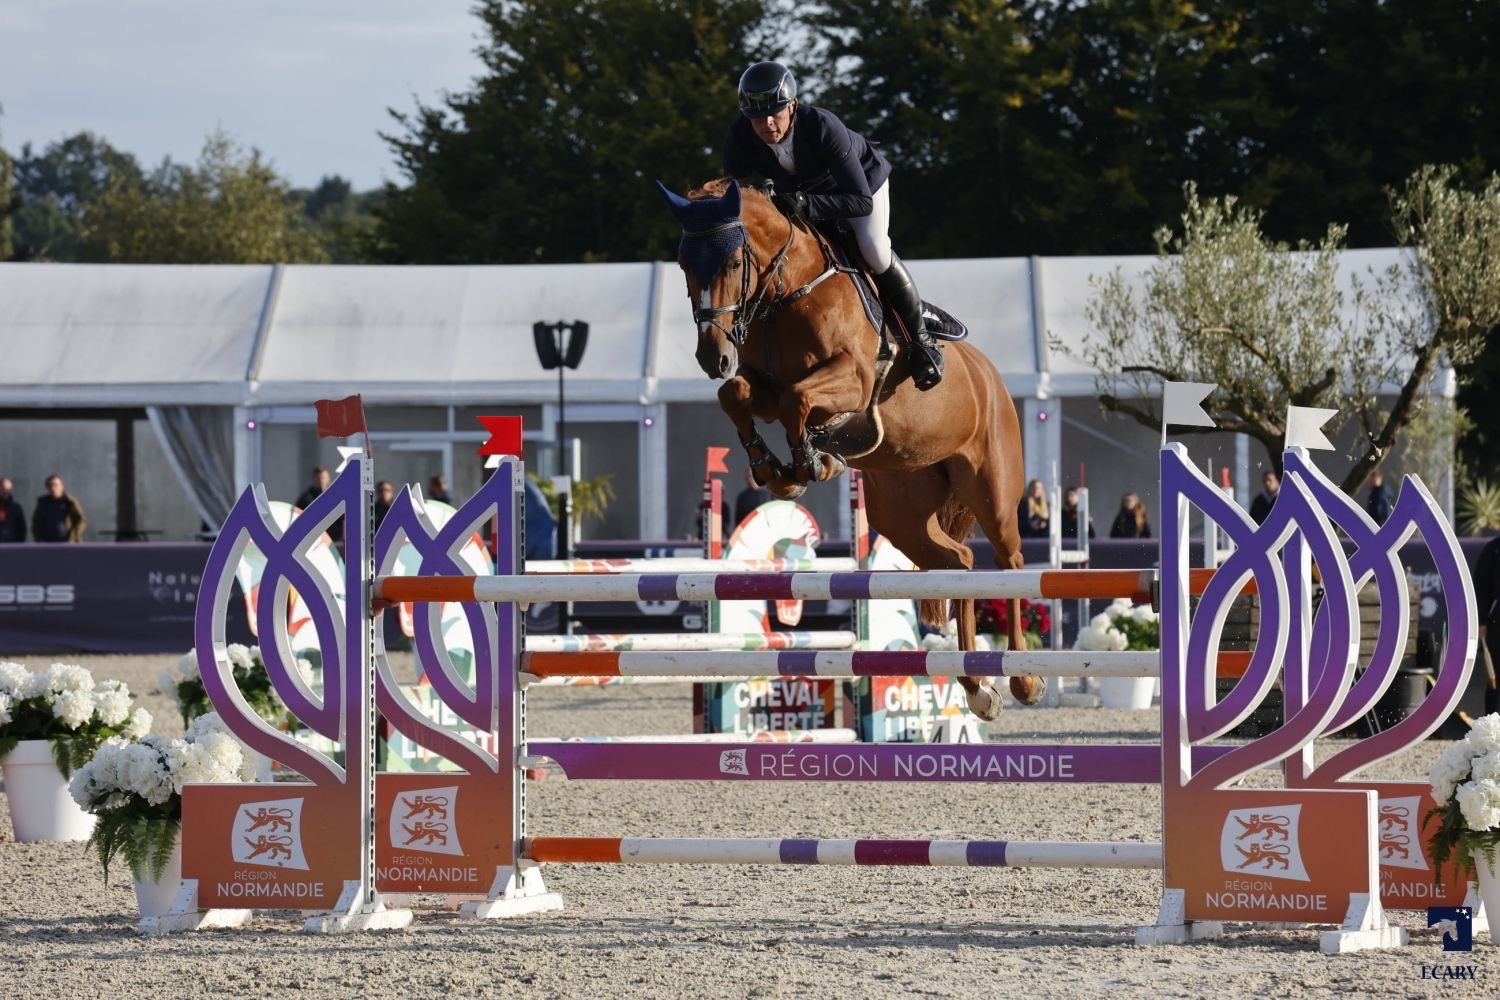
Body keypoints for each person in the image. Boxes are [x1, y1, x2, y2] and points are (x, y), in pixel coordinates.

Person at [722, 61, 944, 392]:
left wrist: (805, 204)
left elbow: (859, 201)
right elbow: (735, 202)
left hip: (861, 186)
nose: (767, 123)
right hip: (801, 196)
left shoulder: (823, 126)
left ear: (792, 105)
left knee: (873, 248)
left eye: (776, 113)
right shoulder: (739, 137)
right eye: (757, 117)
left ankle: (921, 341)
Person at [1473, 534, 1500, 713]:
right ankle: (1491, 725)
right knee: (1494, 676)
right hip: (1496, 623)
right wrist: (1481, 621)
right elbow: (1480, 588)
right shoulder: (1493, 550)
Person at [32, 474, 87, 542]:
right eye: (50, 486)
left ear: (62, 486)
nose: (53, 488)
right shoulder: (43, 504)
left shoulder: (70, 502)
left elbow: (82, 521)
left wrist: (74, 535)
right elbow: (36, 524)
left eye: (56, 485)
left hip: (68, 544)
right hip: (48, 544)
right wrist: (39, 540)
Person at [294, 466, 341, 542]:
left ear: (328, 478)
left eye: (323, 477)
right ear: (314, 478)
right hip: (312, 542)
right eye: (318, 478)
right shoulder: (305, 499)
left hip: (334, 542)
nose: (321, 480)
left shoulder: (335, 497)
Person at [731, 467, 770, 532]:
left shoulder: (768, 495)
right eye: (747, 477)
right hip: (748, 532)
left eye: (751, 476)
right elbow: (738, 519)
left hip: (764, 530)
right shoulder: (742, 497)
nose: (749, 479)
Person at [0, 477, 26, 543]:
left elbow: (22, 528)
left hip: (12, 545)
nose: (5, 492)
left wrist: (19, 545)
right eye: (3, 489)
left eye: (8, 489)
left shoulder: (16, 508)